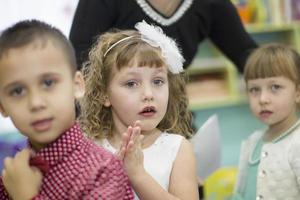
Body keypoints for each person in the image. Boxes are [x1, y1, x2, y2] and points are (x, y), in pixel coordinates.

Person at [0, 19, 134, 200]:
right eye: (17, 91)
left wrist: (26, 197)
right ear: (2, 107)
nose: (36, 103)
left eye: (48, 83)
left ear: (77, 85)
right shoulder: (14, 174)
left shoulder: (103, 170)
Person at [79, 20, 199, 200]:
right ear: (104, 94)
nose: (148, 94)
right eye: (131, 83)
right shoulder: (89, 148)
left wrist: (137, 175)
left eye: (158, 81)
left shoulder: (178, 148)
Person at [69, 0, 258, 71]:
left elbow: (248, 56)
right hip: (112, 122)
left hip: (173, 119)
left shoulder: (211, 5)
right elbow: (79, 63)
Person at [233, 43, 300, 200]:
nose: (263, 99)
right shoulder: (252, 142)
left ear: (297, 92)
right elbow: (239, 194)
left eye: (275, 87)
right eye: (254, 90)